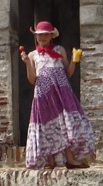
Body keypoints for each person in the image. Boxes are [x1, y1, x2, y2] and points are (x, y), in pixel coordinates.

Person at [20, 20, 95, 169]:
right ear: (35, 36)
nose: (42, 38)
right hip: (44, 95)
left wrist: (75, 60)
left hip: (62, 92)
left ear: (51, 35)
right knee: (48, 126)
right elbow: (32, 79)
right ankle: (50, 161)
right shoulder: (33, 55)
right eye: (39, 35)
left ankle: (70, 159)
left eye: (45, 34)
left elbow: (68, 73)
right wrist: (27, 63)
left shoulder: (60, 50)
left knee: (65, 125)